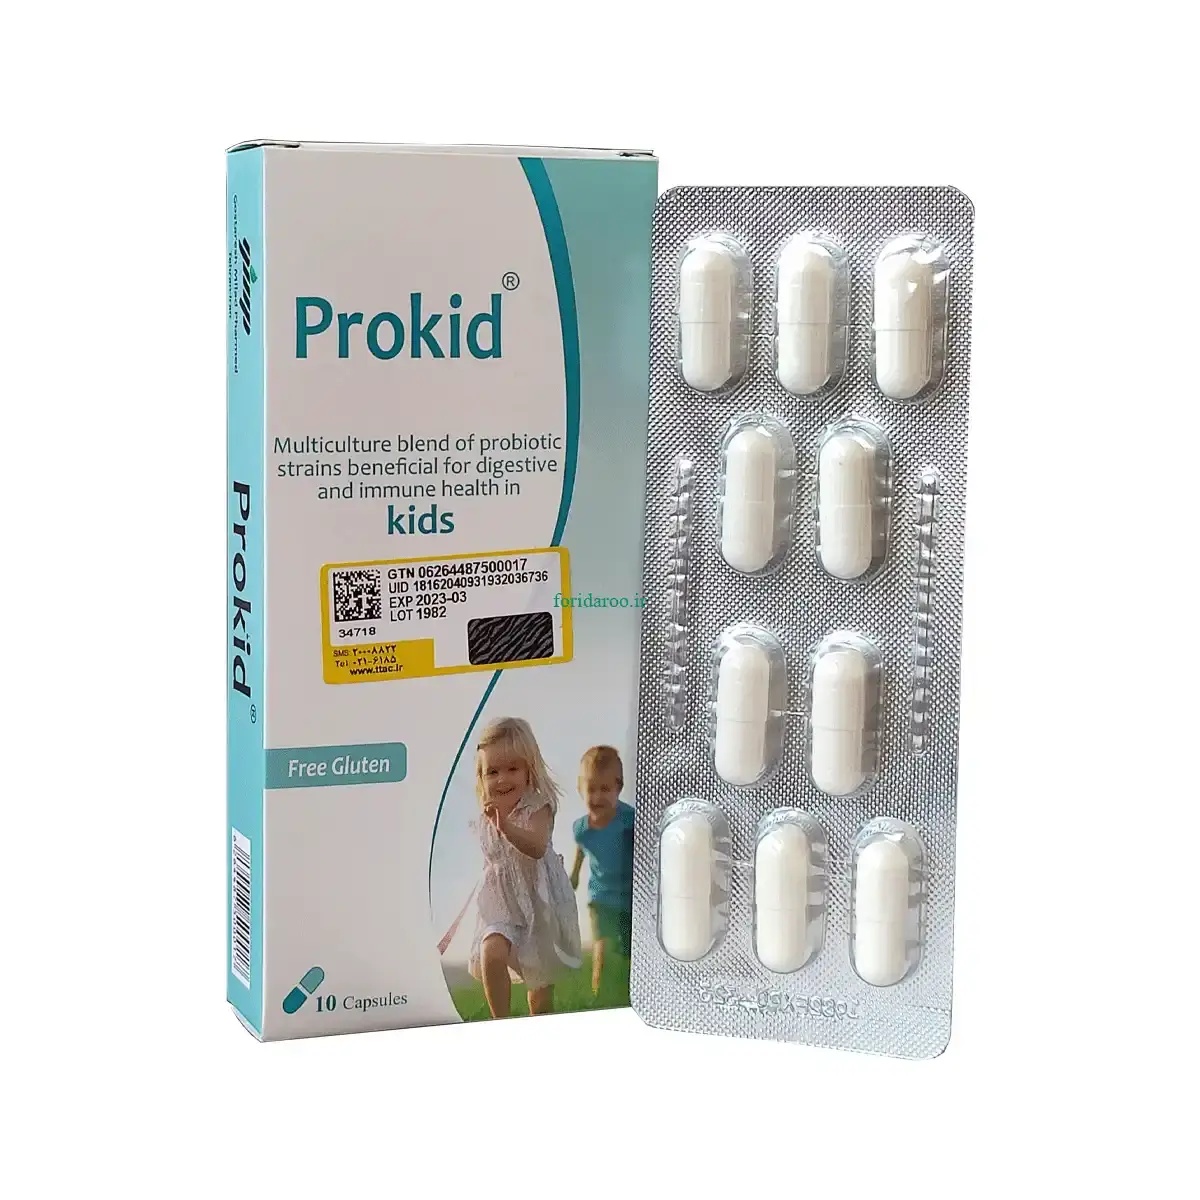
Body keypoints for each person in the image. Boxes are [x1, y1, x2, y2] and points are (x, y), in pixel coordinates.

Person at [467, 717, 581, 1018]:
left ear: (530, 770)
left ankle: (538, 1027)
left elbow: (537, 847)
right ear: (481, 778)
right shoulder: (485, 817)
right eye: (493, 772)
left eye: (512, 769)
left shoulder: (537, 806)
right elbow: (494, 860)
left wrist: (506, 828)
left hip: (538, 906)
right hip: (501, 906)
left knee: (539, 991)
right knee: (491, 951)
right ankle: (499, 1022)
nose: (502, 779)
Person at [569, 746, 635, 995]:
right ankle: (598, 994)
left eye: (605, 789)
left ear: (618, 788)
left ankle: (628, 990)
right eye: (591, 789)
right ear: (581, 790)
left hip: (629, 897)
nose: (597, 797)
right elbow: (581, 848)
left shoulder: (629, 820)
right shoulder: (581, 829)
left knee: (628, 950)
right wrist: (574, 875)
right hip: (600, 898)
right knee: (603, 947)